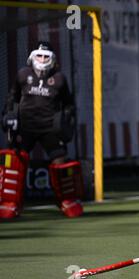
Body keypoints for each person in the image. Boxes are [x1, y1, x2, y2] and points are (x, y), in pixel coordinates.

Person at [1, 41, 84, 219]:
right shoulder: (22, 75)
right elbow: (12, 98)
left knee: (60, 163)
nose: (42, 59)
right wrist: (8, 115)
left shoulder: (60, 79)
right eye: (39, 55)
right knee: (14, 162)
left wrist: (65, 121)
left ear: (53, 59)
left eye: (46, 56)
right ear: (32, 57)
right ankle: (10, 202)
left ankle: (66, 201)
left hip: (50, 128)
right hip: (25, 126)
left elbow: (69, 104)